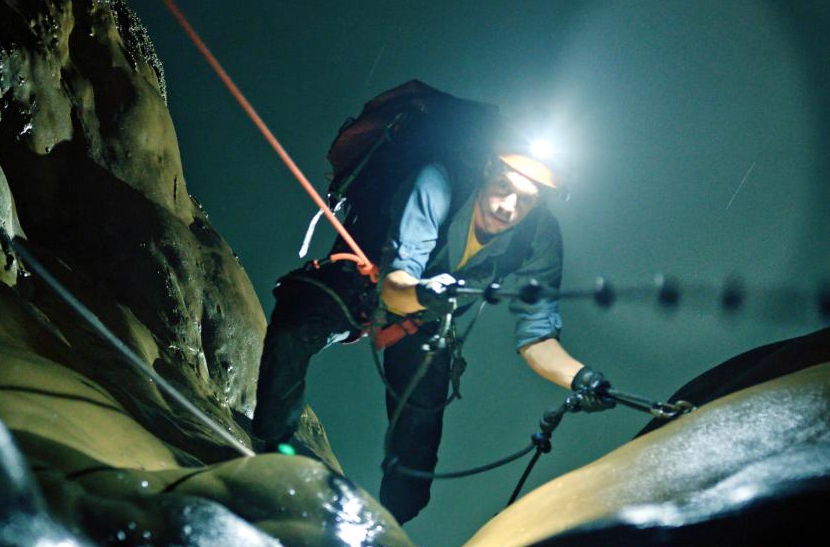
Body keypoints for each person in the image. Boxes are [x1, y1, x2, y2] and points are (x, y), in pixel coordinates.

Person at [253, 144, 615, 524]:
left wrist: (580, 377)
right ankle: (271, 449)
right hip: (365, 281)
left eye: (526, 200)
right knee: (294, 327)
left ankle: (386, 530)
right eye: (503, 187)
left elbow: (537, 339)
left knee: (418, 450)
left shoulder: (539, 237)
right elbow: (394, 287)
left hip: (425, 320)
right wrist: (425, 292)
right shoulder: (437, 183)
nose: (508, 207)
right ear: (488, 167)